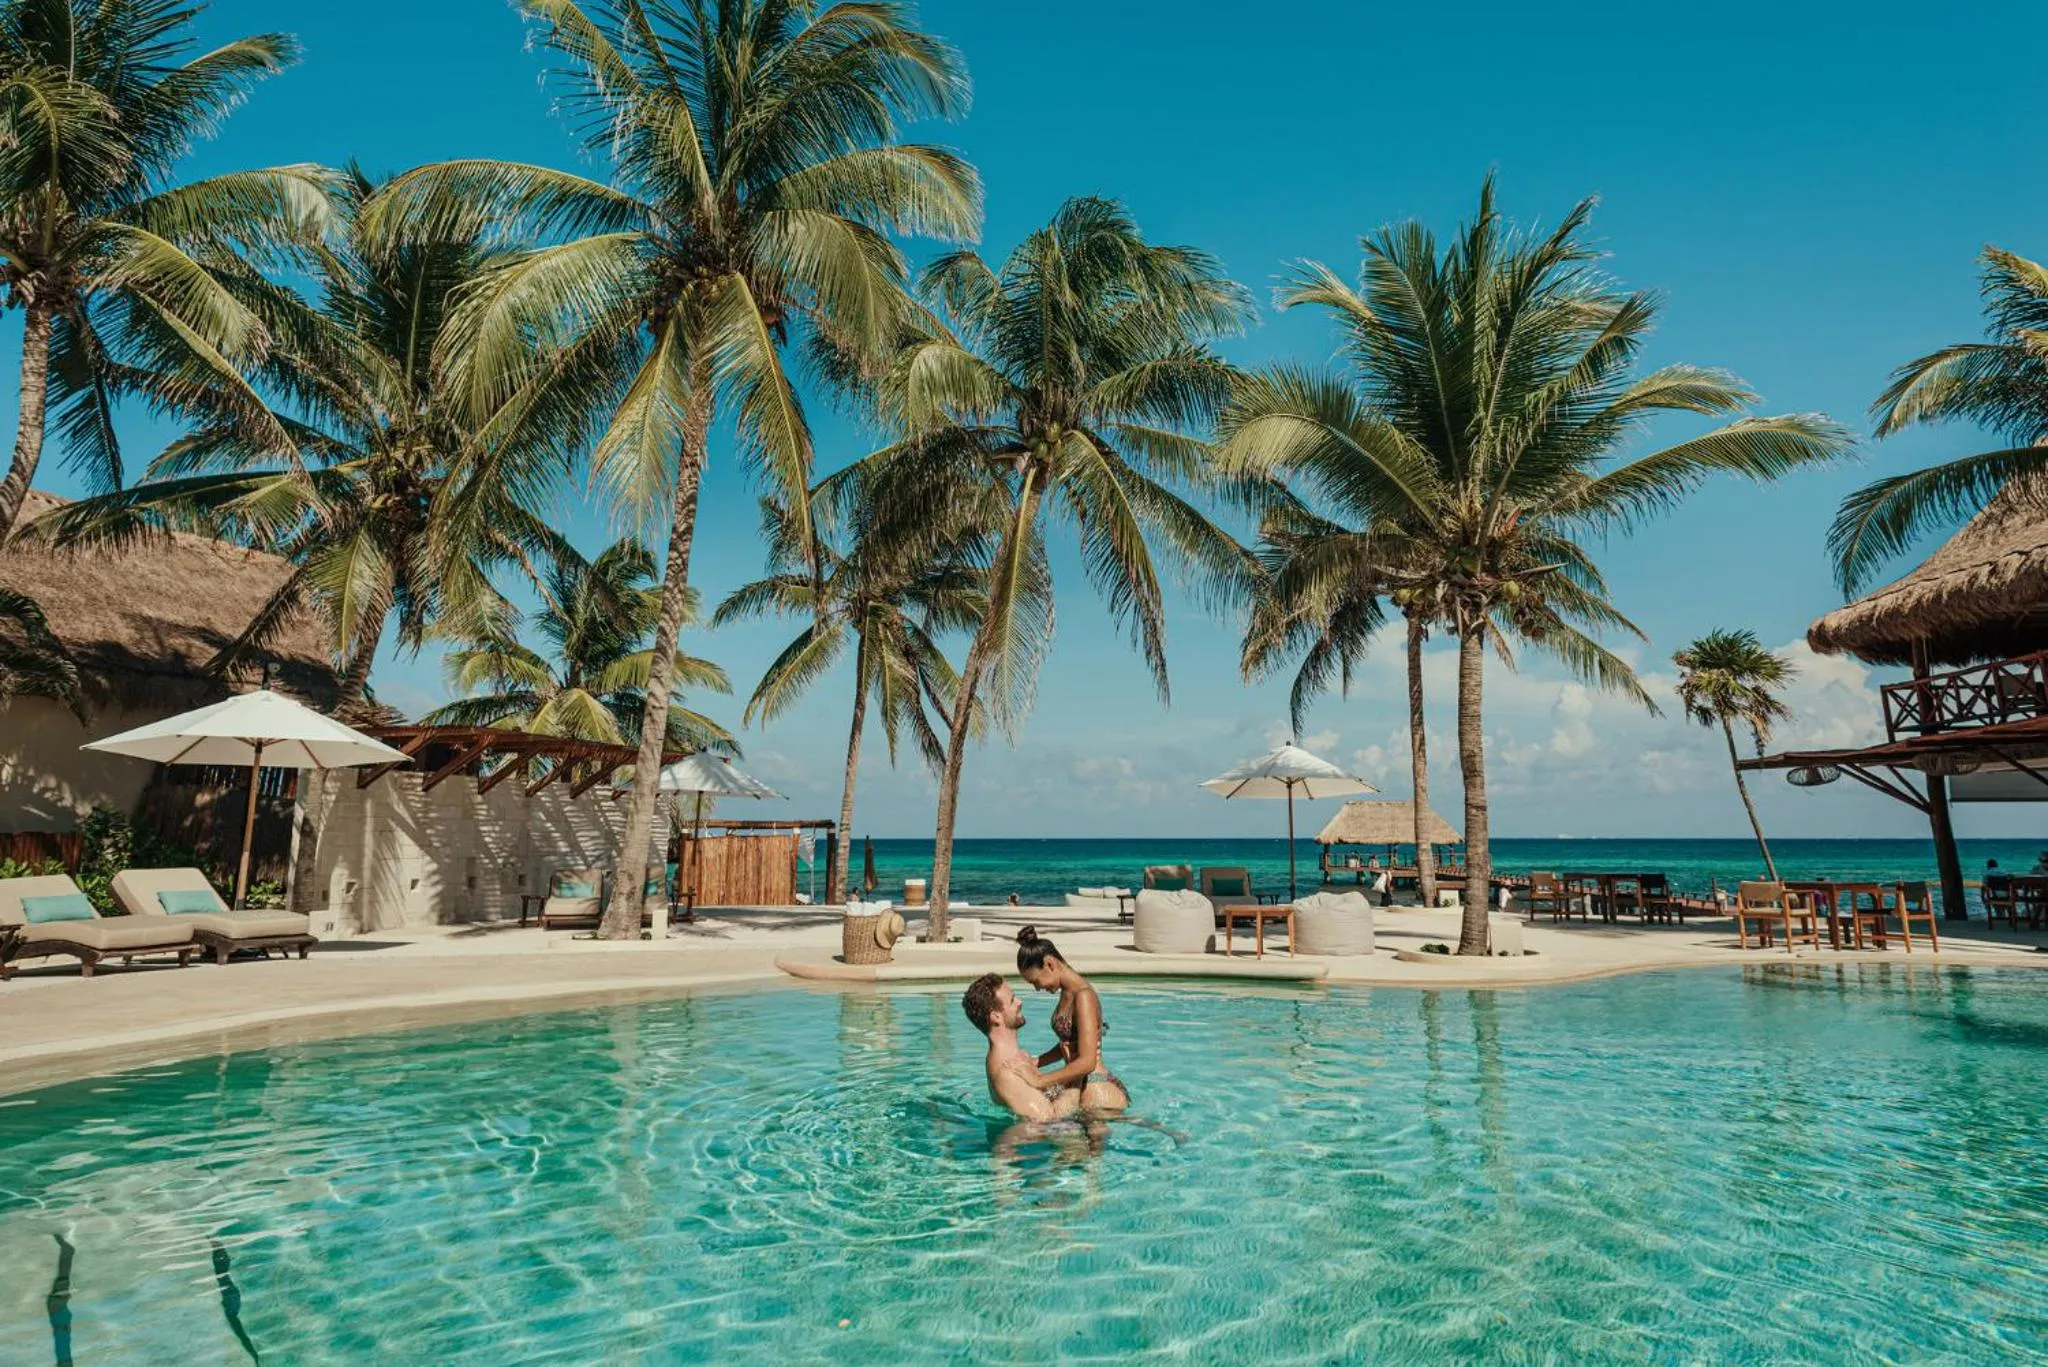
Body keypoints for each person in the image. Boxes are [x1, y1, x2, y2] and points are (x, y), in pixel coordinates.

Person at [1014, 926, 1129, 1112]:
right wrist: (1038, 1061)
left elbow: (1088, 1061)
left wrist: (1040, 1080)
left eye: (1035, 981)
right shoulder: (1068, 992)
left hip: (1096, 1089)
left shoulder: (1084, 996)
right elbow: (1070, 1042)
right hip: (1080, 1085)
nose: (1037, 988)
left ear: (1049, 964)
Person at [962, 973, 1081, 1123]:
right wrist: (1078, 1071)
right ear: (996, 1017)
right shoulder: (1007, 1073)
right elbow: (1050, 1119)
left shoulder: (1017, 1058)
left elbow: (1046, 1097)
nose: (1019, 1002)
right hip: (1059, 1141)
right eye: (1012, 1000)